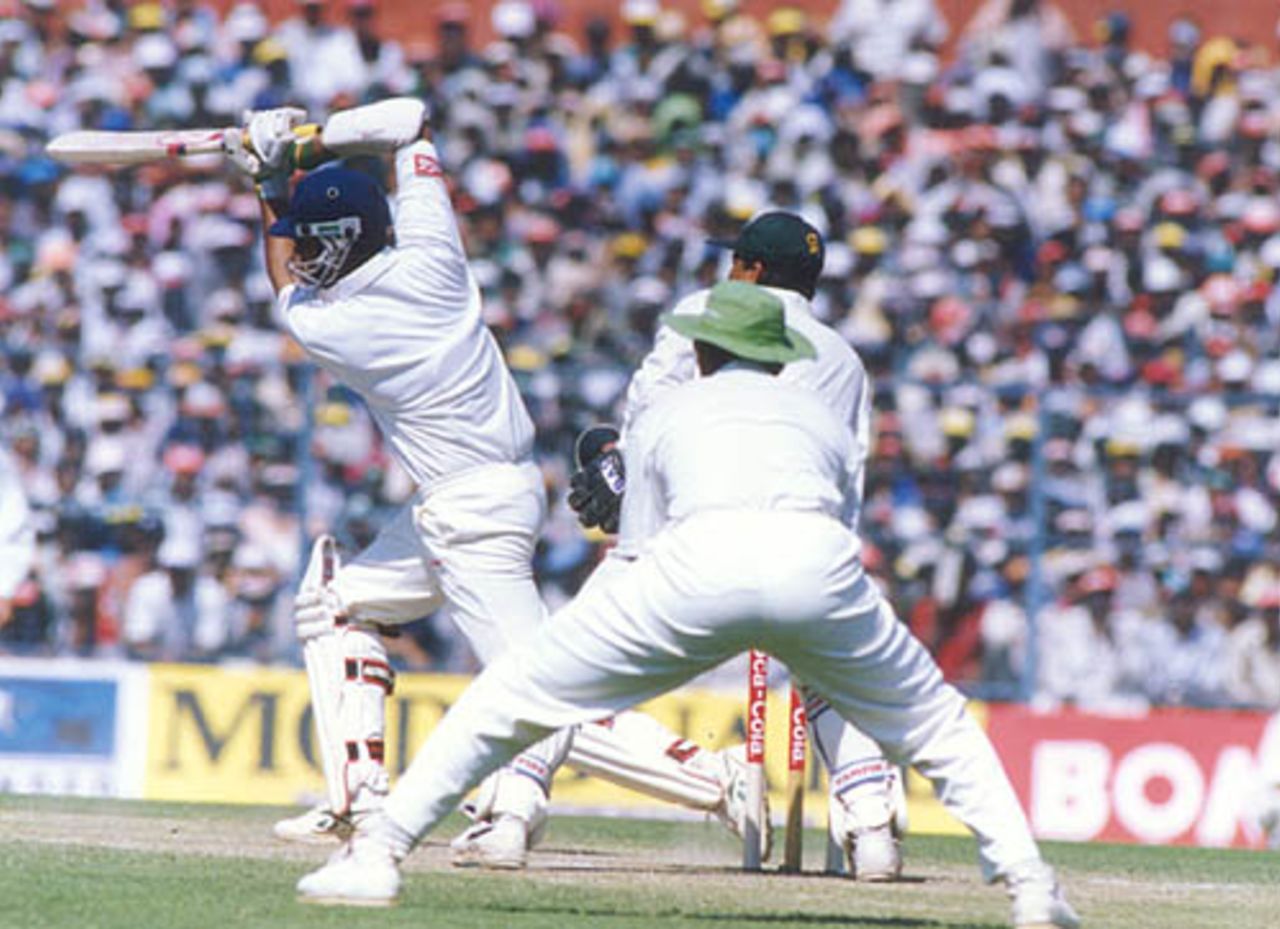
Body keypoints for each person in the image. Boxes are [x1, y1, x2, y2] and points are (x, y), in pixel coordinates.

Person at [295, 280, 1080, 929]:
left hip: (693, 566)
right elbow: (833, 515)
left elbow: (637, 544)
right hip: (819, 567)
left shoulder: (667, 412)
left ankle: (381, 853)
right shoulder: (823, 418)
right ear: (780, 359)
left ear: (702, 350)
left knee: (513, 692)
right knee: (940, 723)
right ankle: (1030, 885)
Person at [224, 98, 573, 862]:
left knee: (536, 677)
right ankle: (359, 797)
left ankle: (514, 813)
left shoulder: (338, 324)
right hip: (487, 492)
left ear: (342, 241)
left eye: (311, 242)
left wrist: (269, 179)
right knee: (333, 603)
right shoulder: (432, 253)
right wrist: (310, 149)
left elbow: (284, 280)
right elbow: (411, 125)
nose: (301, 253)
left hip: (468, 508)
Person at [567, 211, 906, 880]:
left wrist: (616, 465)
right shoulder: (843, 357)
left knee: (560, 664)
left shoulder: (706, 310)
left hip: (686, 542)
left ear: (749, 269)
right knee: (833, 677)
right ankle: (872, 831)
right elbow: (849, 472)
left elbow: (649, 415)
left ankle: (512, 810)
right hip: (809, 550)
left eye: (735, 264)